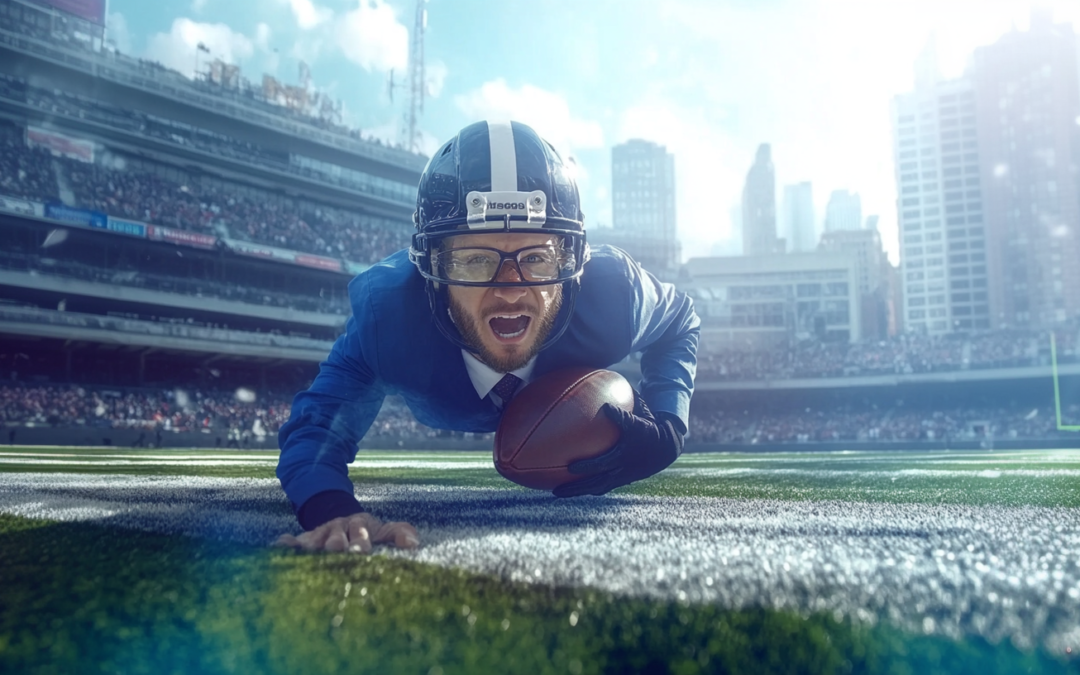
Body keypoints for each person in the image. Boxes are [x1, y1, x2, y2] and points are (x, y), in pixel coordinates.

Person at [275, 120, 699, 554]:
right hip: (450, 404)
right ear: (432, 271)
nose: (510, 288)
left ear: (572, 262)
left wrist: (669, 424)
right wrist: (329, 508)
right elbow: (316, 430)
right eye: (476, 260)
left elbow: (681, 320)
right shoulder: (392, 320)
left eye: (536, 258)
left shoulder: (614, 296)